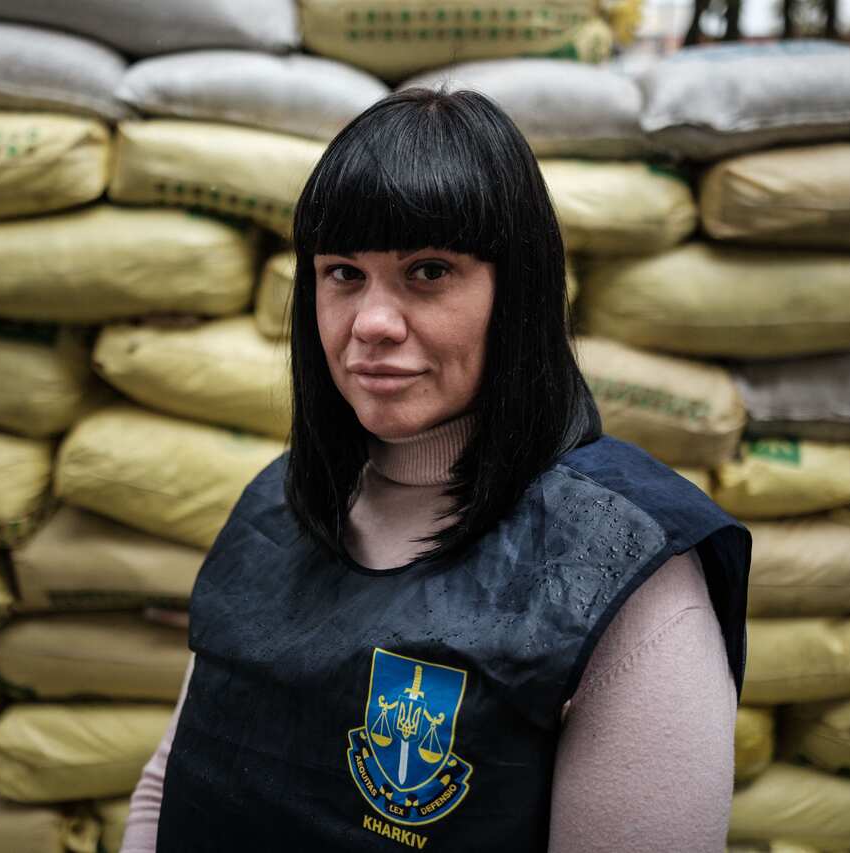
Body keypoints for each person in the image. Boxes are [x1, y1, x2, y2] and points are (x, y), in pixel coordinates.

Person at [121, 88, 750, 852]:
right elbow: (166, 786)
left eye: (428, 270)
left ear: (516, 293)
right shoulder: (276, 509)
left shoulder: (623, 573)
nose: (372, 324)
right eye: (344, 273)